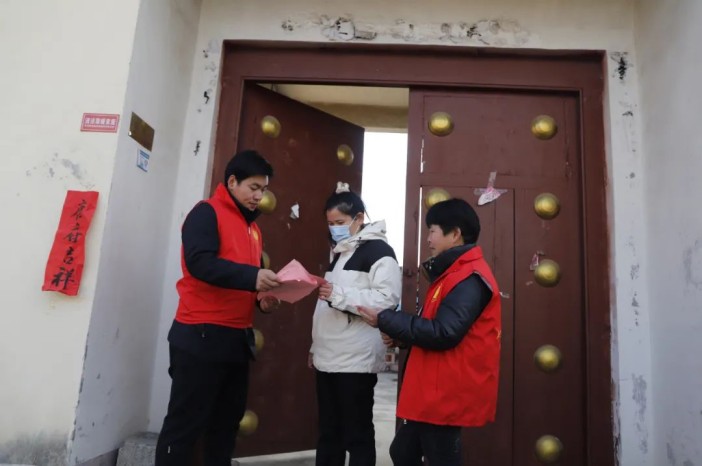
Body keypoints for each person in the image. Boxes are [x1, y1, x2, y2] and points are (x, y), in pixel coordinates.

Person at [155, 150, 282, 466]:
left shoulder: (253, 229)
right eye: (254, 187)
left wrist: (261, 299)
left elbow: (243, 279)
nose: (259, 196)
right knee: (185, 425)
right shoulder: (206, 212)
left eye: (264, 189)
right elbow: (200, 263)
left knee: (226, 425)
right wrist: (253, 277)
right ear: (232, 181)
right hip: (200, 334)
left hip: (236, 339)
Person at [358, 198, 501, 466]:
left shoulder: (470, 277)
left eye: (432, 231)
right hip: (435, 389)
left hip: (447, 392)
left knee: (435, 457)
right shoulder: (452, 274)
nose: (428, 239)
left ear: (455, 234)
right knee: (403, 452)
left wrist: (385, 319)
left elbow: (444, 333)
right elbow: (435, 327)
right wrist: (400, 337)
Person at [310, 182, 402, 466]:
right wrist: (315, 347)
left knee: (357, 433)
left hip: (356, 361)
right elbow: (325, 305)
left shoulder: (379, 251)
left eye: (340, 222)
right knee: (329, 433)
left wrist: (337, 295)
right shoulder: (341, 252)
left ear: (359, 218)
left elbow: (386, 299)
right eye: (330, 223)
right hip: (328, 356)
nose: (334, 228)